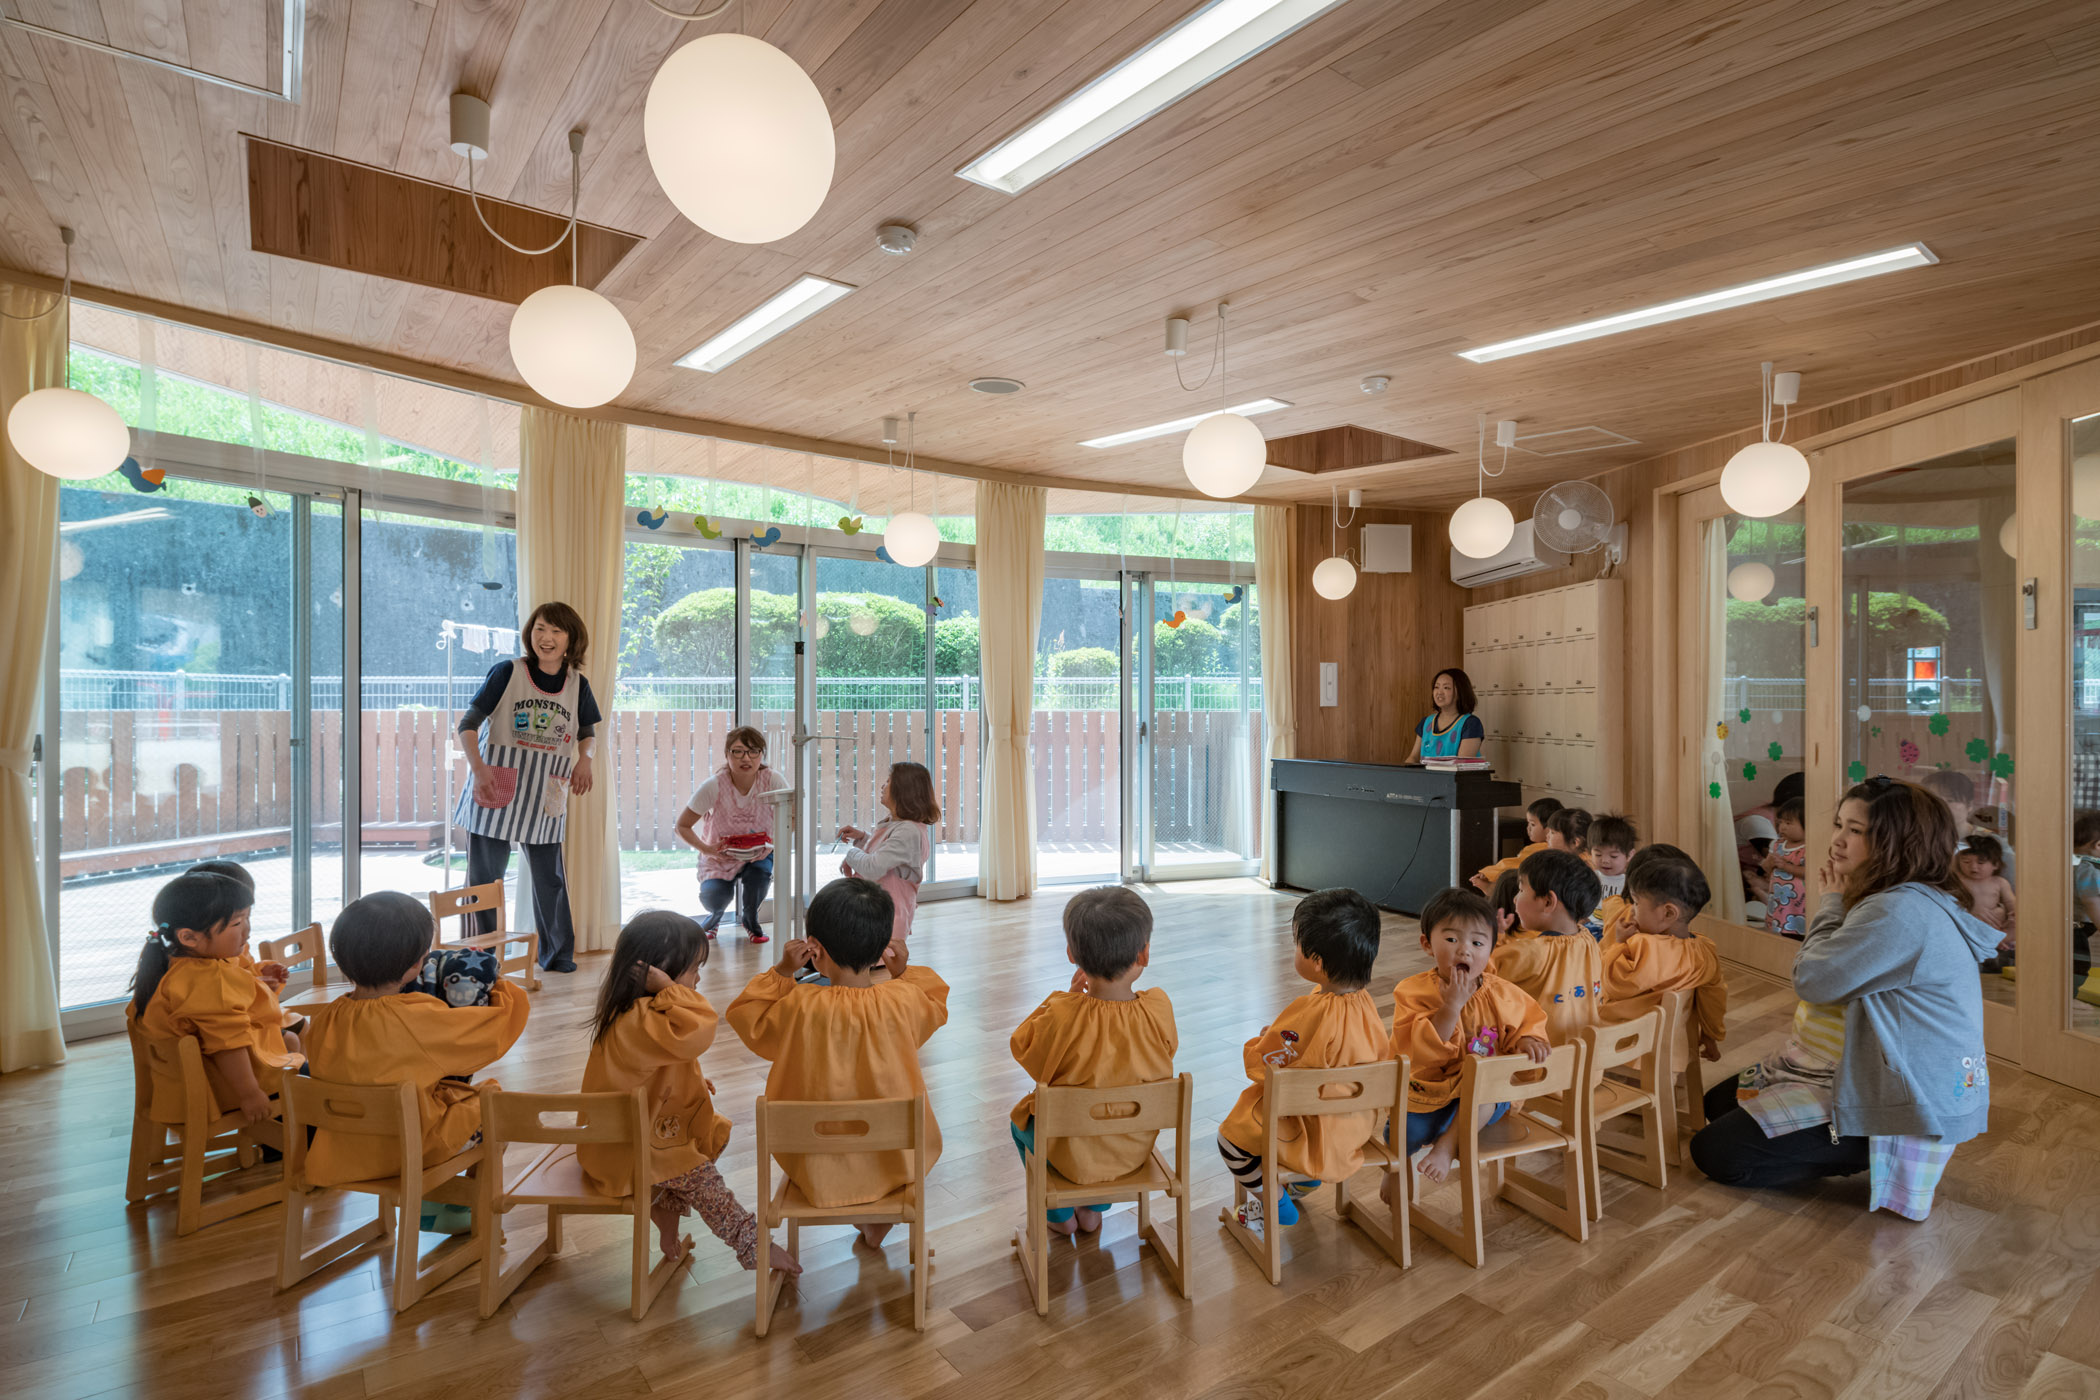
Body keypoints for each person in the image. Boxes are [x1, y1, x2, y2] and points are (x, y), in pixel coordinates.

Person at [1691, 778, 1995, 1220]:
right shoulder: (1903, 894)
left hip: (1901, 1101)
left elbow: (1813, 979)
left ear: (1898, 842)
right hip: (1849, 1068)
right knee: (1716, 1104)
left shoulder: (1899, 911)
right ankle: (1833, 1139)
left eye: (1856, 830)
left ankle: (1864, 1152)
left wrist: (1830, 901)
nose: (1838, 839)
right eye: (1839, 824)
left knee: (1717, 1153)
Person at [725, 878, 949, 1247]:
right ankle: (878, 1216)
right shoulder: (903, 1001)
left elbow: (747, 1016)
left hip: (812, 1162)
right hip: (892, 1158)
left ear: (815, 950)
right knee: (899, 1138)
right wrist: (903, 972)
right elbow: (935, 1003)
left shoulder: (799, 1006)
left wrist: (781, 972)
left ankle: (864, 1209)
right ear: (883, 949)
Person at [579, 911, 799, 1277]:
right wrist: (670, 988)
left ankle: (668, 1228)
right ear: (659, 971)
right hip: (630, 1151)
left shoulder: (641, 1013)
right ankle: (753, 1245)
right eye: (694, 968)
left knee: (704, 1146)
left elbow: (663, 1064)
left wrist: (693, 1081)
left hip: (636, 1139)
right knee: (705, 1183)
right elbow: (701, 1027)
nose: (698, 978)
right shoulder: (641, 1017)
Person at [301, 893, 530, 1231]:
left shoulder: (324, 1019)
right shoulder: (419, 1018)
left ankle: (435, 1204)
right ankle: (445, 1206)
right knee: (497, 1106)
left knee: (444, 1094)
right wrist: (498, 984)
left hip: (341, 1149)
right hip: (407, 1150)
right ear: (414, 966)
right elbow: (493, 1035)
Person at [1008, 887, 1177, 1238]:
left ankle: (1059, 1215)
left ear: (1072, 954)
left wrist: (1064, 999)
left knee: (1019, 1122)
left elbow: (1023, 1047)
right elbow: (1168, 1050)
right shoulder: (1158, 1007)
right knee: (1109, 1120)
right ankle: (1095, 1208)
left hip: (1071, 1153)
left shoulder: (1062, 1014)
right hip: (1132, 1150)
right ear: (1144, 954)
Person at [1216, 888, 1386, 1230]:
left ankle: (1275, 1200)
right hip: (1354, 1127)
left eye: (1297, 945)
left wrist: (1259, 1042)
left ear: (1318, 962)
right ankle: (1306, 1180)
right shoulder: (1366, 1005)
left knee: (1230, 1140)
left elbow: (1265, 1066)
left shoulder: (1310, 1011)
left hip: (1313, 1131)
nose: (1294, 950)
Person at [453, 601, 600, 973]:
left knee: (550, 879)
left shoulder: (578, 684)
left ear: (571, 640)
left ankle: (558, 954)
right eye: (539, 629)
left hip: (546, 789)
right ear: (529, 633)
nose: (545, 638)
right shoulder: (507, 672)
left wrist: (587, 759)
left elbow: (587, 733)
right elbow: (467, 724)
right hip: (495, 786)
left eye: (555, 630)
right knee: (485, 881)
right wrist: (479, 769)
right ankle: (482, 959)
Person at [1387, 888, 1549, 1187]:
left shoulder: (1502, 992)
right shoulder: (1412, 992)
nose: (1465, 950)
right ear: (1427, 944)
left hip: (1484, 1099)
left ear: (1491, 948)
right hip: (1432, 1091)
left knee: (1486, 1087)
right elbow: (1419, 1052)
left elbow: (1528, 1021)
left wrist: (1528, 1039)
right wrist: (1451, 1007)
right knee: (1402, 1132)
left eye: (1477, 942)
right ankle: (1395, 1173)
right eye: (1451, 940)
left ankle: (1447, 1146)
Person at [128, 870, 302, 1125]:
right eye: (236, 923)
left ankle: (280, 1135)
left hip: (177, 1083)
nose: (247, 930)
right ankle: (288, 1141)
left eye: (246, 919)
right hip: (213, 1088)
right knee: (304, 1073)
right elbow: (228, 1045)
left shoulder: (172, 962)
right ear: (188, 936)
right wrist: (250, 1093)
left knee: (290, 1044)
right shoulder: (209, 979)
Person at [1598, 853, 1727, 1060]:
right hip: (1673, 1048)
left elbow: (1611, 983)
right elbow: (1714, 998)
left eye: (1637, 903)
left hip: (1623, 1047)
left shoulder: (1642, 946)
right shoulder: (1705, 950)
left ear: (1668, 913)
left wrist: (1618, 943)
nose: (1631, 910)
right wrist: (1712, 1035)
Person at [676, 726, 789, 945]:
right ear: (727, 755)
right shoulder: (713, 785)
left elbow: (792, 815)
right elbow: (682, 825)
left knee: (758, 880)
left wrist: (776, 841)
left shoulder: (773, 780)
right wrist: (707, 849)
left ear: (761, 755)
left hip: (759, 853)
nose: (746, 758)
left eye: (753, 751)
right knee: (714, 896)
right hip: (720, 856)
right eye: (738, 751)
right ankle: (715, 917)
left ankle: (750, 920)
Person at [1490, 850, 1602, 1046]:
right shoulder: (1588, 941)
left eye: (1521, 890)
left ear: (1548, 902)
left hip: (1538, 1066)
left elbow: (1482, 973)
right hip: (1585, 1063)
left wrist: (1494, 939)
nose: (1515, 899)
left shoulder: (1533, 952)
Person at [839, 760, 940, 950]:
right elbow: (890, 855)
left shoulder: (908, 831)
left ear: (903, 791)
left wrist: (851, 853)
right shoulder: (900, 826)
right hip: (874, 914)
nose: (883, 786)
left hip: (882, 922)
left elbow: (873, 868)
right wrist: (862, 838)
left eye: (888, 781)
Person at [1472, 797, 1562, 892]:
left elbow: (1511, 864)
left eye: (1532, 824)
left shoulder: (1539, 849)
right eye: (1528, 823)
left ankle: (1492, 890)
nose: (1528, 828)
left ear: (1549, 828)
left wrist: (1489, 873)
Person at [1956, 834, 2017, 971]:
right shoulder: (1958, 881)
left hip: (1996, 931)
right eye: (1966, 862)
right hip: (1969, 932)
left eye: (1981, 863)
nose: (1973, 867)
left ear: (1995, 864)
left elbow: (2011, 902)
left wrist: (2013, 916)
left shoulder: (1999, 882)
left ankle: (1996, 941)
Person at [1404, 668, 1484, 764]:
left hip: (1454, 779)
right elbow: (1413, 757)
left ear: (1460, 692)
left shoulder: (1470, 723)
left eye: (1446, 688)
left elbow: (1462, 766)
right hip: (1428, 778)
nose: (1439, 692)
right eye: (1436, 687)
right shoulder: (1426, 722)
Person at [1763, 798, 1809, 937]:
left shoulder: (1807, 848)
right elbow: (1767, 868)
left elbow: (1809, 873)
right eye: (1780, 822)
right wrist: (1769, 864)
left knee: (1796, 934)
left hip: (1797, 906)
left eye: (1788, 823)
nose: (1782, 827)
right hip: (1778, 901)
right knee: (1779, 932)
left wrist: (1786, 866)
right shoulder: (1778, 844)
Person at [1587, 815, 1637, 937]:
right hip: (1590, 927)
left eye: (1613, 856)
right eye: (1598, 855)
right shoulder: (1589, 877)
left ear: (1629, 855)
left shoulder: (1631, 882)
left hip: (1616, 931)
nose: (1605, 860)